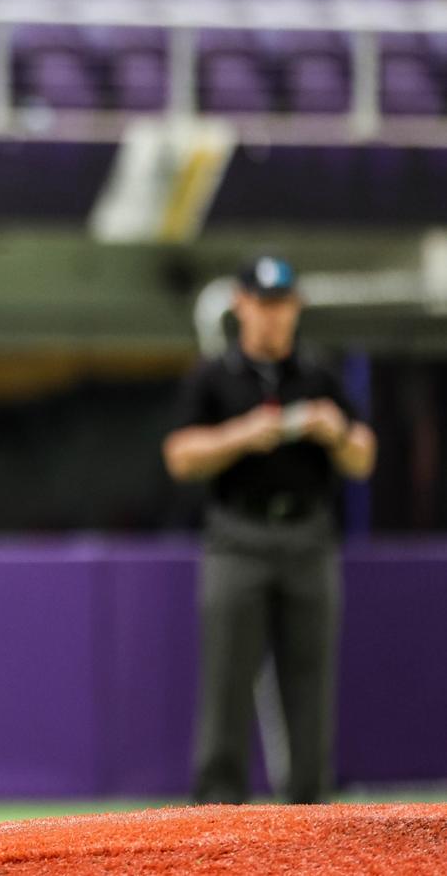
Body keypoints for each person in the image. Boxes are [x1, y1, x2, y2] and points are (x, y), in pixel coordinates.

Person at [163, 256, 377, 805]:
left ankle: (308, 812)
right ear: (241, 305)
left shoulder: (319, 373)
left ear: (295, 308)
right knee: (227, 681)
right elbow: (180, 456)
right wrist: (242, 435)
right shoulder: (214, 376)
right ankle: (217, 812)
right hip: (239, 539)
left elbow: (362, 459)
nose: (273, 318)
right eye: (262, 305)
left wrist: (337, 431)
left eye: (282, 305)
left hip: (308, 537)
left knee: (310, 682)